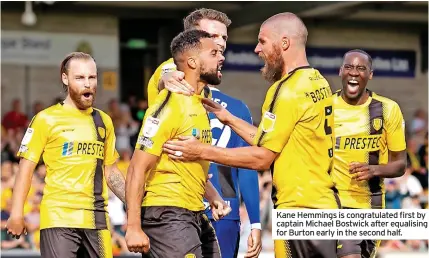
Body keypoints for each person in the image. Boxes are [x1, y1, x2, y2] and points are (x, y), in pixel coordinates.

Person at [163, 12, 340, 258]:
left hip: (298, 209)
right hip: (325, 207)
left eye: (263, 41)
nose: (257, 49)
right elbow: (275, 139)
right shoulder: (318, 81)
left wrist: (201, 150)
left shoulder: (285, 90)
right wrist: (229, 119)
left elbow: (262, 158)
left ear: (284, 43)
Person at [148, 8, 262, 258]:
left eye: (224, 38)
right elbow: (166, 75)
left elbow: (248, 164)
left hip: (224, 210)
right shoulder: (169, 80)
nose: (219, 43)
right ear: (190, 39)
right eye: (212, 35)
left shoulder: (233, 107)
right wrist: (169, 78)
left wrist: (255, 222)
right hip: (174, 208)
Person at [5, 52, 127, 258]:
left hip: (97, 221)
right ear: (65, 78)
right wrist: (17, 214)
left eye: (92, 77)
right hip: (59, 218)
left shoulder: (104, 121)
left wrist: (136, 209)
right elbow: (25, 169)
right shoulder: (45, 119)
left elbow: (112, 173)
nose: (87, 83)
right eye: (80, 77)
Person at [125, 30, 227, 258]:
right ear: (192, 62)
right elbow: (136, 168)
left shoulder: (200, 102)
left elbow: (182, 162)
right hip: (167, 214)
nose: (221, 57)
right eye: (213, 53)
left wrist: (212, 196)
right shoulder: (170, 104)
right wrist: (133, 227)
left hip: (194, 211)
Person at [333, 49, 407, 258]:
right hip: (332, 202)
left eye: (361, 68)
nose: (354, 73)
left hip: (370, 204)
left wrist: (374, 170)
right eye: (349, 67)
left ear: (370, 75)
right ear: (341, 72)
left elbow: (400, 164)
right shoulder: (324, 109)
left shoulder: (387, 109)